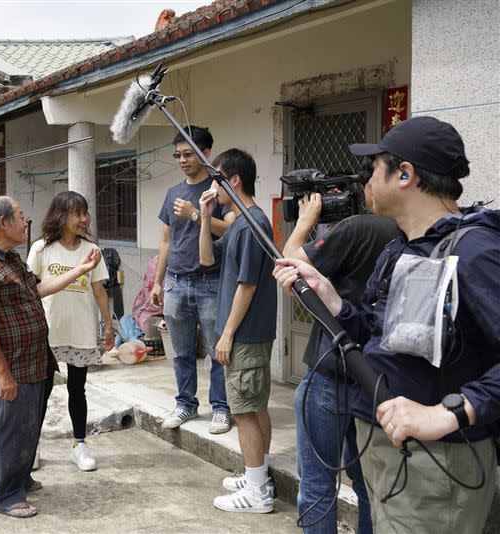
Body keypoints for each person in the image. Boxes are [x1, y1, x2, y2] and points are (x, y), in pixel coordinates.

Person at [274, 116, 500, 532]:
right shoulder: (400, 250)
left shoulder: (475, 251)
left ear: (405, 175)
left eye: (372, 169)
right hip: (389, 459)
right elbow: (384, 340)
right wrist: (334, 301)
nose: (366, 182)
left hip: (436, 471)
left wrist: (451, 413)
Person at [0, 196, 101, 519]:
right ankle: (3, 495)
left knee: (25, 427)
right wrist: (2, 372)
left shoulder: (10, 258)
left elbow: (37, 289)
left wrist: (80, 269)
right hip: (10, 365)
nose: (27, 222)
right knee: (6, 430)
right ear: (3, 224)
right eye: (21, 216)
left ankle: (19, 478)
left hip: (32, 362)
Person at [284, 185, 398, 533]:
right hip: (377, 379)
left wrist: (305, 223)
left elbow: (290, 264)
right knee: (368, 488)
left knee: (318, 485)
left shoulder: (357, 228)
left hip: (331, 372)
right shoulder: (413, 235)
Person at [197, 148, 277, 513]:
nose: (213, 185)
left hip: (245, 333)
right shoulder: (241, 221)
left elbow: (247, 285)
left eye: (217, 178)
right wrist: (204, 218)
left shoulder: (251, 223)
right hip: (247, 331)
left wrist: (227, 333)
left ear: (234, 180)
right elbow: (206, 259)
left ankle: (258, 490)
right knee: (254, 405)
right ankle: (257, 472)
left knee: (244, 409)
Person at [150, 125, 236, 434]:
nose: (183, 160)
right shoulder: (173, 193)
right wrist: (158, 283)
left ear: (206, 153)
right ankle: (185, 404)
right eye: (177, 155)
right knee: (181, 351)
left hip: (210, 281)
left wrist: (196, 214)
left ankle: (221, 408)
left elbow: (231, 230)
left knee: (217, 352)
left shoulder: (219, 189)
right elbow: (165, 241)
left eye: (188, 154)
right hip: (175, 281)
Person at [27, 191, 114, 472]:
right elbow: (31, 291)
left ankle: (79, 445)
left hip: (81, 331)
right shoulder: (41, 249)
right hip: (50, 332)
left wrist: (108, 325)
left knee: (78, 389)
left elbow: (99, 290)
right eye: (78, 213)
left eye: (85, 213)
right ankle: (32, 446)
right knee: (42, 389)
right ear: (61, 216)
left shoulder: (92, 250)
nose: (84, 219)